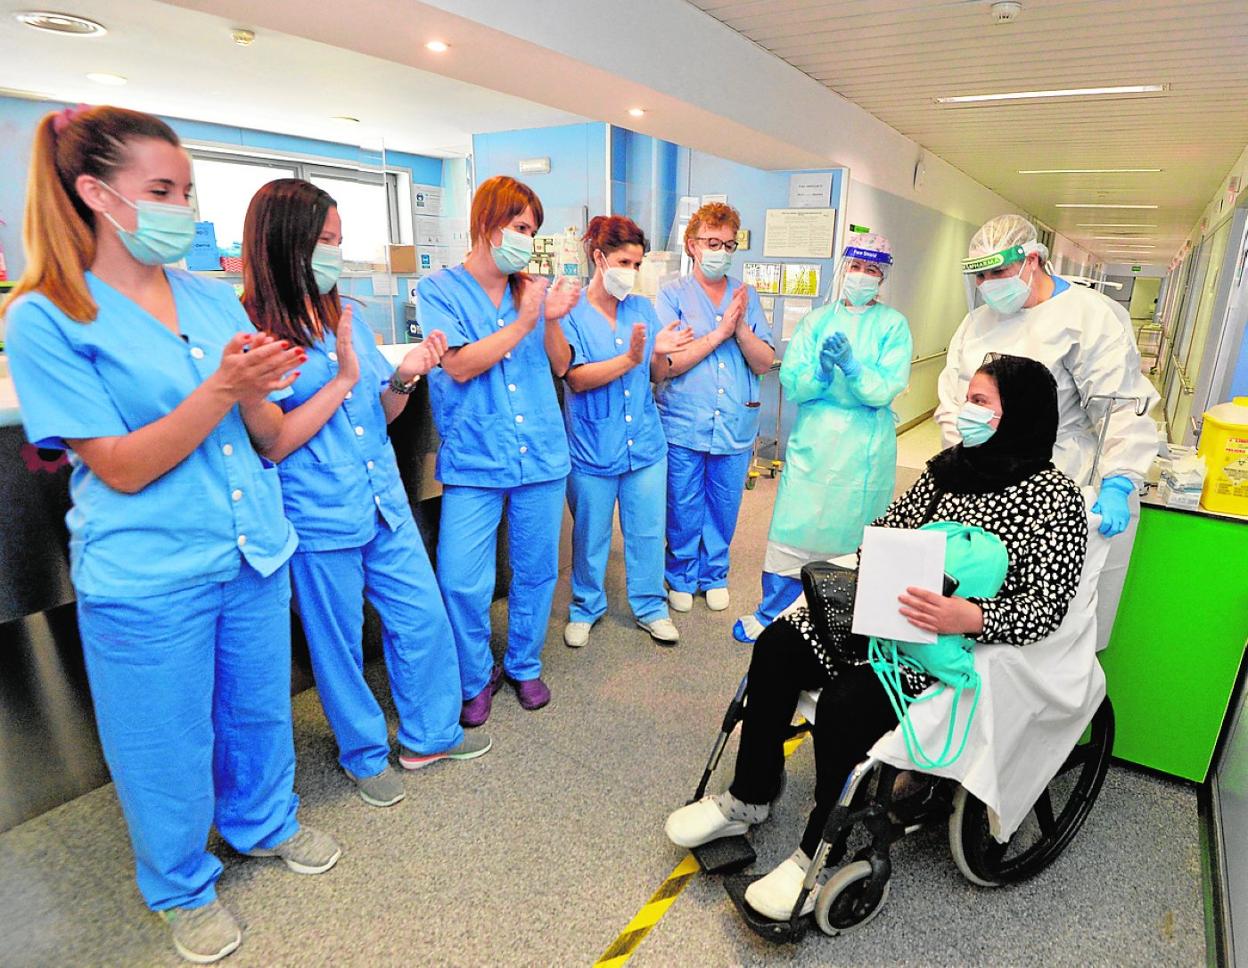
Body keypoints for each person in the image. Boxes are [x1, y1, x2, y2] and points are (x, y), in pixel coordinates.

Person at [2, 106, 339, 965]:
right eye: (161, 191)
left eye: (186, 191)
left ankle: (264, 825)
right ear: (95, 193)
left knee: (258, 711)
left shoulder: (207, 294)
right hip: (152, 568)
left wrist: (277, 386)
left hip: (251, 551)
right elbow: (118, 465)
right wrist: (223, 389)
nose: (179, 208)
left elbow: (261, 436)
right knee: (165, 741)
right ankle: (181, 885)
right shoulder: (47, 315)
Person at [665, 355, 1089, 922]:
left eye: (982, 401)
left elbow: (1047, 606)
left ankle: (820, 848)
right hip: (886, 612)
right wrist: (870, 575)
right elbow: (891, 529)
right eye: (969, 397)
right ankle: (751, 794)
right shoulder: (946, 469)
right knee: (776, 649)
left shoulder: (1054, 502)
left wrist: (966, 614)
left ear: (1021, 415)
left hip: (953, 645)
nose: (967, 410)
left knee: (846, 705)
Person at [240, 179, 491, 810]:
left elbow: (374, 412)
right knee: (339, 643)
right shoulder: (255, 334)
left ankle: (430, 733)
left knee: (421, 617)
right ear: (284, 243)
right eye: (325, 241)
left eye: (340, 241)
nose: (336, 254)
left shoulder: (337, 314)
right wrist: (346, 375)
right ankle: (362, 753)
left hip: (382, 497)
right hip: (318, 512)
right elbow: (274, 442)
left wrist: (404, 378)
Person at [936, 214, 1159, 650]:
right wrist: (963, 458)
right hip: (983, 479)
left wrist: (1118, 479)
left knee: (1042, 603)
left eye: (998, 272)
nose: (989, 284)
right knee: (978, 591)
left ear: (1033, 260)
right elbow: (953, 398)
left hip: (1057, 479)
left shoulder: (1086, 317)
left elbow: (1119, 404)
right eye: (980, 275)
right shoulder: (977, 323)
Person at [418, 175, 581, 726]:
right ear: (487, 224)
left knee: (536, 570)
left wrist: (551, 320)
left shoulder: (531, 288)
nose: (526, 240)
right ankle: (474, 674)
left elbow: (560, 364)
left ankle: (524, 662)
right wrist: (527, 319)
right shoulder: (439, 289)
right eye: (519, 227)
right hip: (475, 456)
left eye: (532, 231)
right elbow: (459, 364)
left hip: (540, 452)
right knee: (462, 578)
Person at [734, 234, 912, 644]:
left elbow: (885, 388)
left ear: (882, 277)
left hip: (863, 446)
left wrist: (852, 367)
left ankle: (843, 618)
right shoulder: (816, 322)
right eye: (856, 267)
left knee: (853, 530)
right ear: (843, 268)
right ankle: (774, 611)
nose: (862, 277)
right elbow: (794, 384)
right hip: (814, 440)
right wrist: (821, 371)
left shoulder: (893, 326)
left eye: (872, 271)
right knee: (796, 523)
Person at [559, 215, 694, 649]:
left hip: (646, 446)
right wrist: (633, 357)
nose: (631, 273)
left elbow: (654, 373)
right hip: (592, 447)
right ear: (598, 257)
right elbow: (575, 377)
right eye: (624, 262)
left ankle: (650, 607)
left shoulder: (640, 307)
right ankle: (585, 607)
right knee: (590, 536)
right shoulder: (571, 312)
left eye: (637, 264)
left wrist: (662, 354)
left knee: (648, 532)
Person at [655, 202, 775, 615]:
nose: (720, 251)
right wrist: (720, 332)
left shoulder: (747, 296)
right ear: (692, 245)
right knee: (683, 502)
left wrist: (740, 329)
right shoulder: (671, 295)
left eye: (728, 244)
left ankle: (714, 574)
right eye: (712, 242)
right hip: (685, 419)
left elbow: (763, 361)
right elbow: (668, 365)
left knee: (724, 503)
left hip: (735, 420)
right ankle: (681, 574)